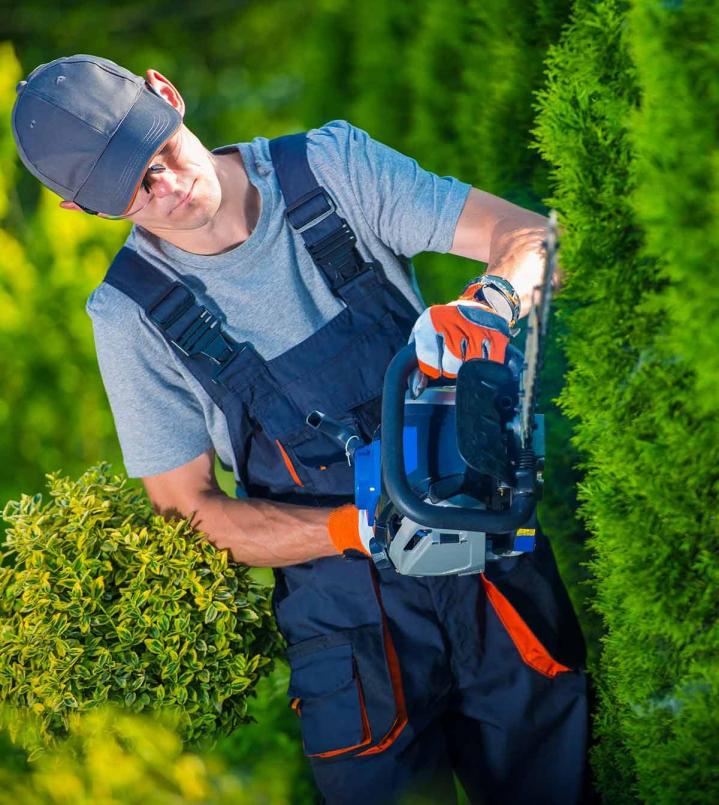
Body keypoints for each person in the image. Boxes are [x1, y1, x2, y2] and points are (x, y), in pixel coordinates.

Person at [12, 54, 589, 804]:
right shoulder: (130, 315)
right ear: (81, 211)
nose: (169, 186)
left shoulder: (328, 168)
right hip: (349, 636)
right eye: (135, 192)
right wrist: (358, 529)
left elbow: (533, 238)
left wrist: (492, 301)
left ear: (167, 93)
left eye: (159, 153)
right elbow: (192, 516)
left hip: (488, 568)